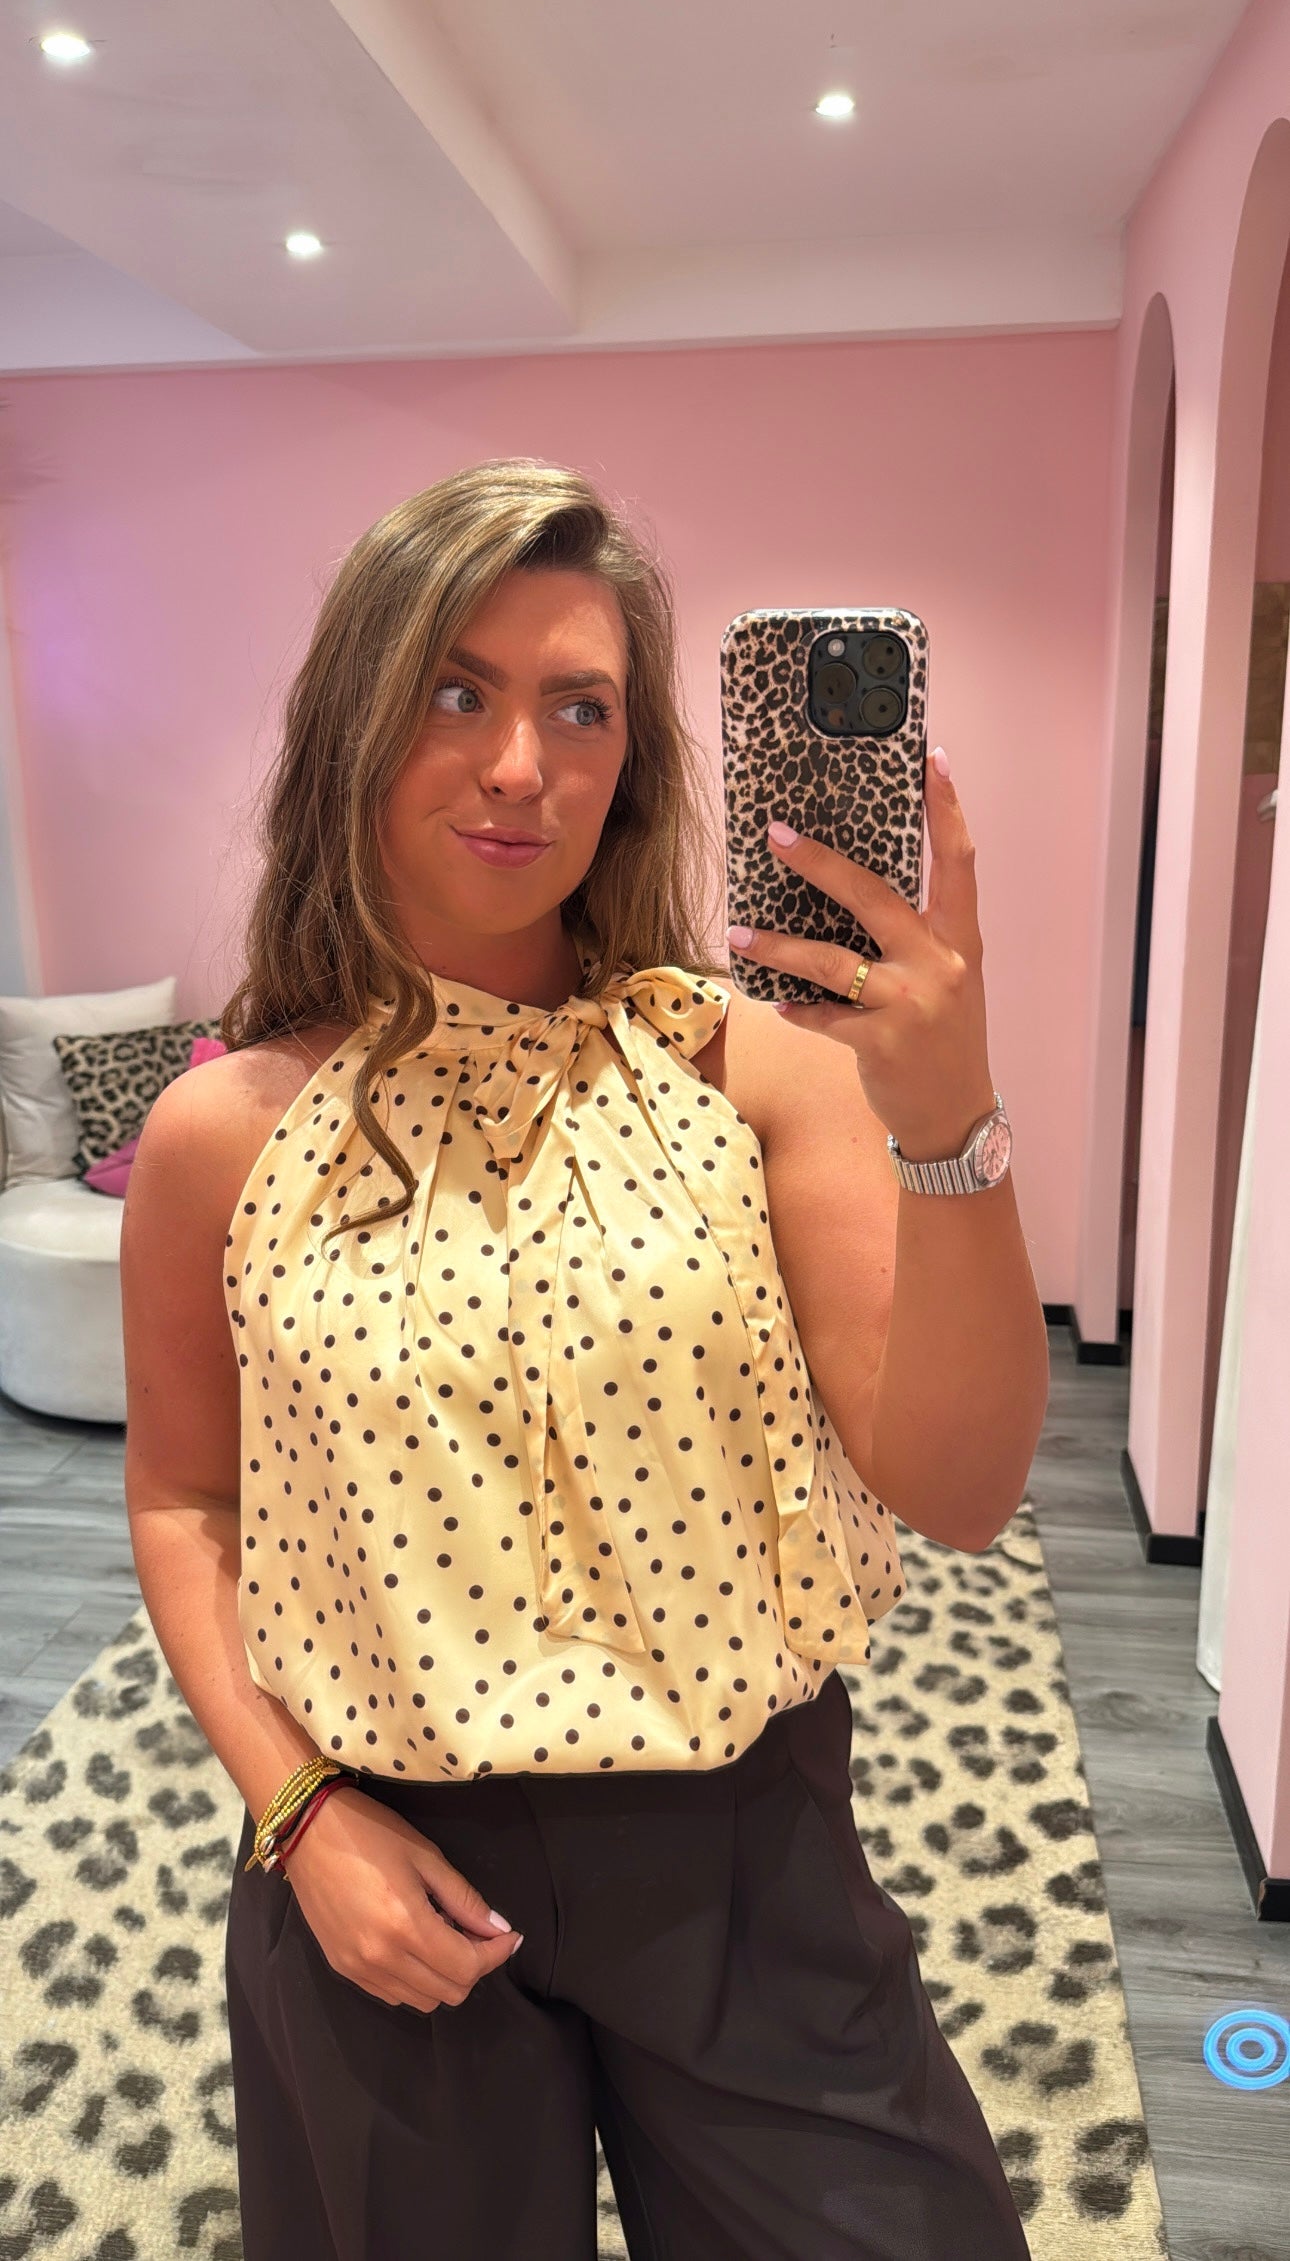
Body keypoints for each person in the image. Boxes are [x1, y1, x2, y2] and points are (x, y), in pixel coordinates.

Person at [121, 458, 1049, 2261]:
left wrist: (946, 1118)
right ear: (352, 720)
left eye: (579, 707)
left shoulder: (753, 1075)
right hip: (383, 1859)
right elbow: (180, 1500)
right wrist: (297, 1814)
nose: (517, 765)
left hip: (742, 1853)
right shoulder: (224, 1132)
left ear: (634, 759)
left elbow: (961, 1489)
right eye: (453, 691)